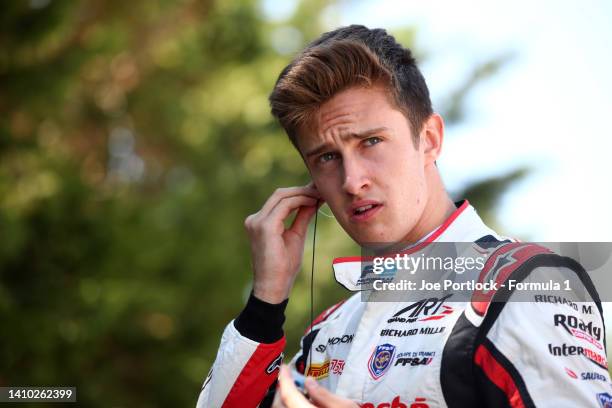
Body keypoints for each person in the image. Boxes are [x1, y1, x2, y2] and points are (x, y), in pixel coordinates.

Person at [196, 25, 609, 408]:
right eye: (326, 157)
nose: (352, 181)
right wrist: (265, 303)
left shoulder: (526, 285)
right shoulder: (329, 330)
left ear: (429, 140)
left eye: (371, 141)